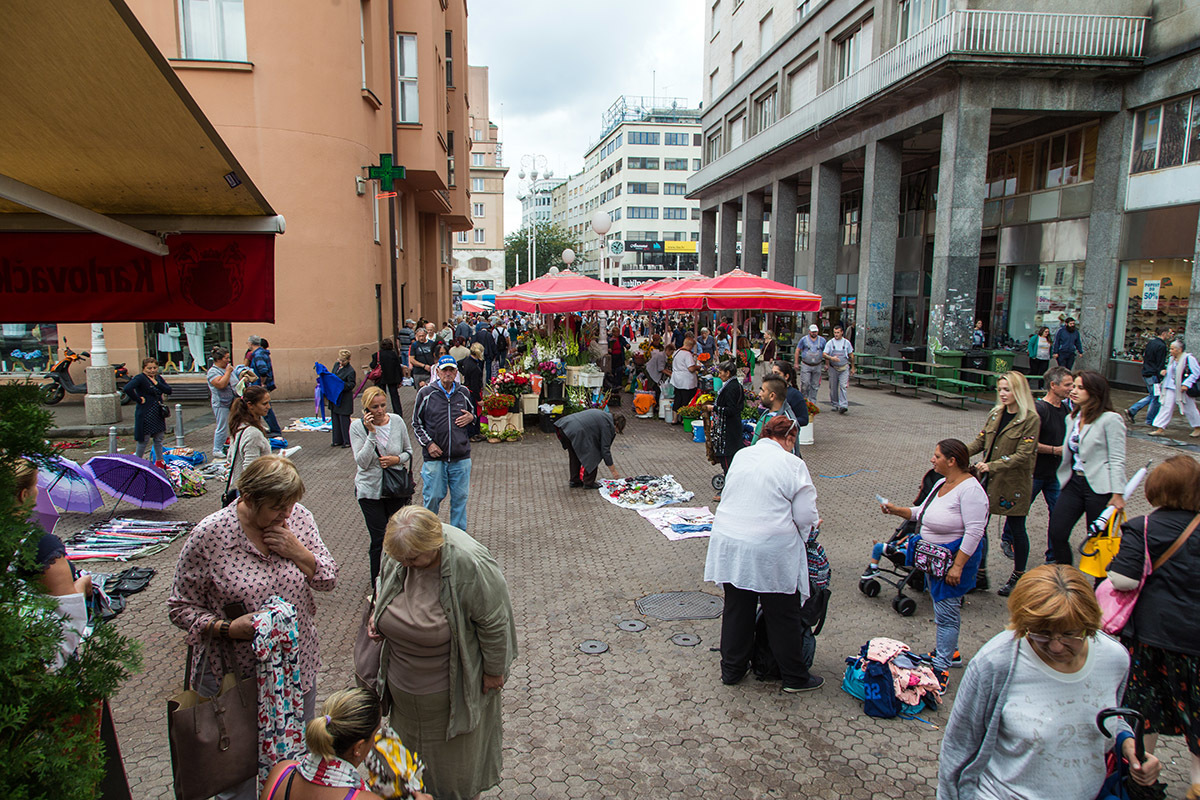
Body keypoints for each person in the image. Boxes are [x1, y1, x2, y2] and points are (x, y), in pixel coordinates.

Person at [168, 455, 338, 800]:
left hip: (294, 671)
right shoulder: (210, 535)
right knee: (236, 773)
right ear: (248, 498)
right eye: (277, 507)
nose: (286, 514)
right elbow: (179, 607)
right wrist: (227, 629)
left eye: (290, 505)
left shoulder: (299, 521)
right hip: (234, 679)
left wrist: (298, 552)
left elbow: (327, 578)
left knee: (291, 763)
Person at [938, 564, 1161, 799]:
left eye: (1068, 634)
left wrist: (1128, 745)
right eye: (1041, 633)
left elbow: (1107, 716)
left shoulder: (1114, 658)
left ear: (1089, 625)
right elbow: (958, 749)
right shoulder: (995, 663)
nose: (1055, 646)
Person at [372, 506, 516, 800]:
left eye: (413, 559)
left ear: (433, 545)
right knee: (405, 778)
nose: (406, 565)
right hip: (404, 700)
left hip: (451, 703)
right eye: (401, 560)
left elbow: (495, 624)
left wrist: (493, 671)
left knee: (455, 781)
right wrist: (377, 617)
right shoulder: (399, 552)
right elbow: (382, 586)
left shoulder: (469, 563)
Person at [704, 415, 823, 694]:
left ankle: (732, 670)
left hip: (730, 540)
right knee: (782, 612)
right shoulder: (793, 464)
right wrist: (805, 533)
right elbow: (806, 515)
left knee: (737, 608)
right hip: (770, 547)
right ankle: (794, 676)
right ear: (790, 439)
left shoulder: (743, 455)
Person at [1107, 456, 1200, 797]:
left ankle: (1141, 776)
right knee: (1197, 709)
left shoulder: (1144, 527)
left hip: (1151, 635)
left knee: (1143, 708)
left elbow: (1124, 579)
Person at [881, 439, 989, 691]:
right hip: (933, 561)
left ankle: (941, 668)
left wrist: (958, 566)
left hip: (951, 562)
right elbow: (922, 512)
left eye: (937, 455)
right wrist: (896, 510)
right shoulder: (942, 483)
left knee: (947, 615)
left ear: (952, 461)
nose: (932, 459)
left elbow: (975, 532)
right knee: (942, 611)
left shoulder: (971, 491)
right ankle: (950, 652)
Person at [260, 687, 432, 800]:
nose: (376, 742)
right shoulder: (362, 798)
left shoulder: (282, 772)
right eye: (374, 735)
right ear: (358, 747)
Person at [966, 372, 1040, 597]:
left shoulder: (1030, 419)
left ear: (1019, 390)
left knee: (1017, 527)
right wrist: (958, 453)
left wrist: (993, 465)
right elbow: (981, 440)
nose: (1003, 394)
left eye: (1007, 389)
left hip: (1013, 482)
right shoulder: (996, 413)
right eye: (1000, 389)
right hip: (989, 482)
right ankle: (979, 573)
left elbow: (1024, 454)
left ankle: (1018, 575)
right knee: (980, 526)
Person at [14, 459, 92, 669]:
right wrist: (83, 585)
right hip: (41, 669)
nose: (39, 491)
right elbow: (69, 624)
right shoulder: (40, 546)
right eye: (35, 486)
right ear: (24, 495)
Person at [1047, 370, 1126, 566]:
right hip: (1074, 482)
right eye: (1073, 386)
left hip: (1099, 486)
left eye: (1080, 387)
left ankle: (1102, 588)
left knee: (1099, 539)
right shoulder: (1072, 418)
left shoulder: (1110, 419)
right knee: (1057, 531)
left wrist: (1118, 493)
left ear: (1094, 392)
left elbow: (1117, 458)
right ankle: (1067, 576)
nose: (1074, 391)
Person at [351, 387, 414, 584]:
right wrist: (371, 434)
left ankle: (399, 577)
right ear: (366, 409)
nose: (380, 411)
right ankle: (376, 580)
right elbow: (362, 461)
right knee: (379, 537)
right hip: (370, 490)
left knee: (398, 535)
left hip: (395, 488)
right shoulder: (357, 427)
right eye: (374, 407)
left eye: (382, 405)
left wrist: (396, 459)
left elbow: (409, 452)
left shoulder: (396, 421)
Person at [411, 356, 475, 532]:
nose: (448, 373)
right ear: (437, 372)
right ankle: (428, 535)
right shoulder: (426, 394)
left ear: (456, 372)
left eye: (451, 370)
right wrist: (429, 444)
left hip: (460, 457)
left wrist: (471, 418)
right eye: (444, 370)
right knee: (432, 497)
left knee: (460, 499)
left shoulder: (464, 392)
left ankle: (459, 538)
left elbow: (473, 415)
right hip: (435, 458)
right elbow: (416, 423)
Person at [1017, 366, 1074, 563]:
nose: (1071, 389)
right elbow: (1028, 442)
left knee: (1058, 516)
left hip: (1056, 475)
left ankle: (1053, 557)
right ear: (1053, 385)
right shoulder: (1039, 410)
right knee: (1019, 511)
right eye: (1067, 385)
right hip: (1035, 473)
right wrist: (1055, 450)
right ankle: (1009, 540)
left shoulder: (1067, 409)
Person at [704, 360, 744, 500]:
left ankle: (729, 489)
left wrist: (713, 408)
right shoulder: (733, 385)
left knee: (727, 458)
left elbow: (732, 409)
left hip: (729, 430)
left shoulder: (732, 388)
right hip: (728, 428)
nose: (719, 375)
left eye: (721, 372)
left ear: (728, 373)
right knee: (727, 458)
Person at [554, 409, 624, 488]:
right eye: (617, 430)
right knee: (594, 453)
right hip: (576, 431)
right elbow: (605, 449)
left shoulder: (603, 415)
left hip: (564, 427)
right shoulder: (608, 425)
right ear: (616, 424)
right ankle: (588, 482)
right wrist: (613, 471)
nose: (615, 432)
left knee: (574, 455)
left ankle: (575, 481)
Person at [1148, 339, 1200, 438]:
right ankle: (1160, 428)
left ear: (1179, 349)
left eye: (1172, 349)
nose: (1170, 351)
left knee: (1189, 408)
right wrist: (1164, 372)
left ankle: (1197, 427)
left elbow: (1196, 372)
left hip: (1183, 388)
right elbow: (1172, 372)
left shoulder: (1189, 359)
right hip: (1170, 386)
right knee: (1166, 406)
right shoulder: (1172, 359)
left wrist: (1186, 384)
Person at [124, 357, 171, 462]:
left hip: (157, 412)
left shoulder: (158, 378)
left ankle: (160, 461)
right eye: (149, 368)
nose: (152, 370)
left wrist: (157, 383)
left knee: (159, 438)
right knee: (144, 440)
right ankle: (138, 462)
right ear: (144, 368)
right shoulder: (140, 378)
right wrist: (138, 399)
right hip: (146, 412)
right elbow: (127, 388)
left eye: (154, 368)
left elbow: (168, 390)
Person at [228, 386, 275, 484]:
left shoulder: (239, 426)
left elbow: (230, 457)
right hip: (253, 491)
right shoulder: (253, 434)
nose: (268, 407)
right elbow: (250, 471)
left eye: (269, 403)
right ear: (250, 405)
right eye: (264, 403)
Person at [1127, 325, 1172, 426]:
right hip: (1153, 374)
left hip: (1147, 372)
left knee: (1153, 395)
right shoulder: (1162, 346)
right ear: (1164, 333)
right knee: (1155, 397)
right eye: (1169, 333)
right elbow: (1160, 363)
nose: (1170, 335)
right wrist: (1160, 374)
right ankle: (1149, 419)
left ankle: (1134, 410)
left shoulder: (1151, 343)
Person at [751, 376, 803, 459]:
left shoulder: (787, 422)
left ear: (772, 396)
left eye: (763, 390)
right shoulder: (767, 413)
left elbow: (792, 455)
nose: (760, 394)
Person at [248, 335, 283, 435]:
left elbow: (263, 370)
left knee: (265, 408)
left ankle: (275, 430)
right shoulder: (262, 353)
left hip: (259, 384)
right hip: (262, 384)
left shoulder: (258, 354)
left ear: (251, 343)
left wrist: (262, 383)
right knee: (263, 407)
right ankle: (267, 427)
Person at [207, 347, 235, 460]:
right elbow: (221, 384)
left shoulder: (227, 368)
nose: (228, 360)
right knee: (222, 426)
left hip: (232, 401)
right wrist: (228, 372)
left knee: (234, 423)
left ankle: (230, 445)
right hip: (220, 403)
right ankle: (217, 449)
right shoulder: (213, 372)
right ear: (218, 359)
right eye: (226, 358)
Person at [822, 325, 855, 414]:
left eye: (838, 332)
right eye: (835, 333)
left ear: (842, 332)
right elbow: (824, 354)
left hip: (844, 368)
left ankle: (843, 405)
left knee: (843, 386)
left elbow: (851, 355)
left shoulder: (846, 343)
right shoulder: (830, 343)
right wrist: (831, 358)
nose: (836, 334)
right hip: (833, 368)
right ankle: (835, 404)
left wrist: (852, 367)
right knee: (833, 387)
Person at [457, 342, 486, 442]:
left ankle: (475, 433)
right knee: (474, 413)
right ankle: (473, 434)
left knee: (471, 411)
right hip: (473, 392)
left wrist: (464, 372)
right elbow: (475, 386)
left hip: (467, 388)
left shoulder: (467, 360)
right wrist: (479, 399)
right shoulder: (475, 368)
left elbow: (458, 363)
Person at [670, 334, 701, 423]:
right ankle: (684, 419)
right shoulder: (687, 354)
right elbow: (691, 368)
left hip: (677, 379)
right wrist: (697, 367)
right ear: (690, 345)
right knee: (686, 399)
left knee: (677, 398)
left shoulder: (676, 352)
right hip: (686, 381)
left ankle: (674, 419)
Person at [771, 360, 810, 431]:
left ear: (786, 376)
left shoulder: (795, 394)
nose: (773, 376)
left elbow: (804, 419)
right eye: (772, 373)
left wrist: (784, 421)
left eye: (777, 373)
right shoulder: (769, 391)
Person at [329, 349, 356, 449]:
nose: (341, 362)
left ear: (348, 360)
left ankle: (347, 440)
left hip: (344, 398)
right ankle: (337, 440)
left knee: (344, 420)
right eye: (340, 360)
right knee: (335, 418)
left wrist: (340, 385)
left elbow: (351, 384)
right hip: (335, 396)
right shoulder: (336, 365)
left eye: (343, 361)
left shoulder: (350, 371)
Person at [370, 339, 405, 416]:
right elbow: (398, 367)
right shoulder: (393, 354)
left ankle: (381, 411)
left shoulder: (377, 354)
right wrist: (400, 379)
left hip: (381, 378)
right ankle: (398, 412)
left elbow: (372, 365)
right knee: (394, 396)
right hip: (392, 378)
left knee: (380, 396)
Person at [795, 324, 827, 403]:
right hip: (806, 364)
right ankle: (804, 400)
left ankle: (813, 402)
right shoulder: (804, 340)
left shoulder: (822, 340)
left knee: (815, 385)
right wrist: (796, 363)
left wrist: (827, 364)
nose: (814, 333)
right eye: (812, 332)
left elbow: (826, 353)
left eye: (815, 332)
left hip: (817, 365)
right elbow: (797, 350)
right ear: (809, 331)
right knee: (805, 383)